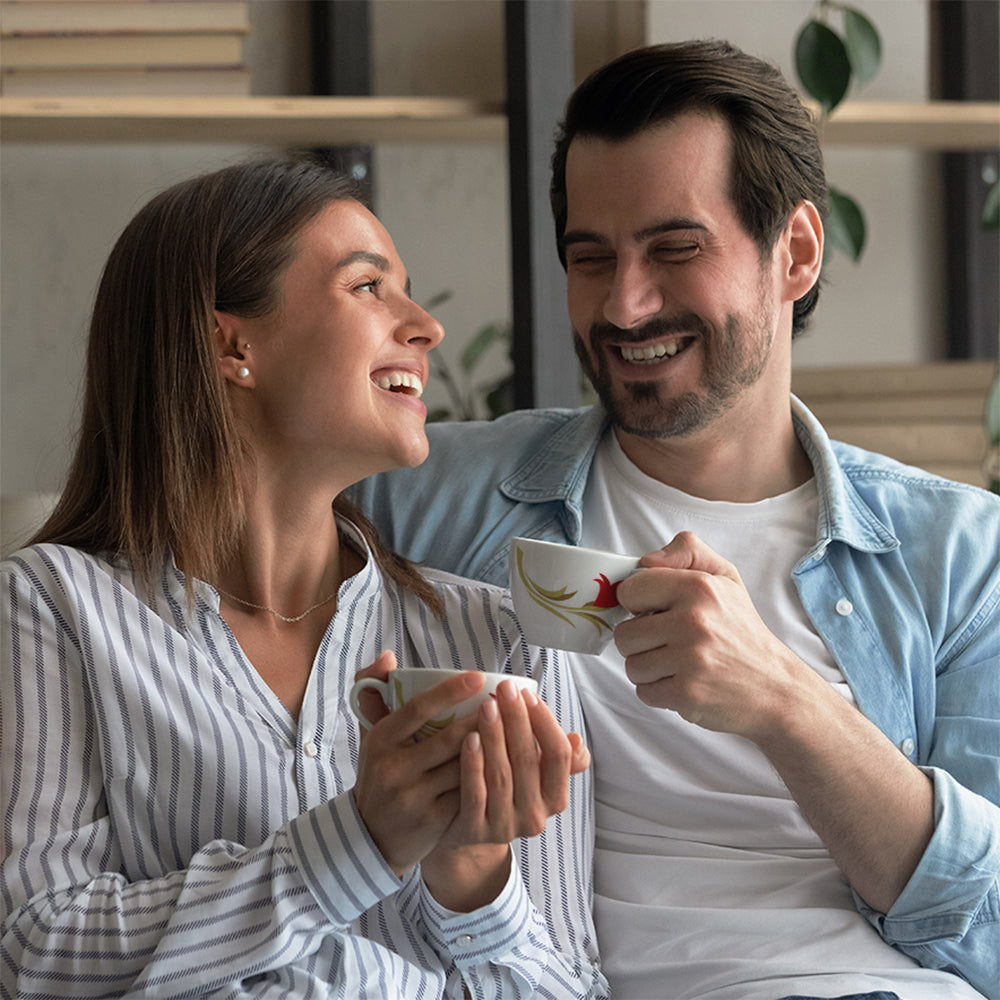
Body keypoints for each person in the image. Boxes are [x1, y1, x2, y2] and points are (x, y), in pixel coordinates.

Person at [351, 40, 1000, 1000]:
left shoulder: (957, 552)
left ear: (798, 252)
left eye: (675, 249)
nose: (625, 304)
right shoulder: (426, 490)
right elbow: (190, 511)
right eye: (591, 258)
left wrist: (781, 698)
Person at [0, 157, 610, 999]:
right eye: (368, 288)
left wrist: (474, 878)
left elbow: (573, 989)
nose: (426, 326)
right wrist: (358, 840)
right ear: (233, 345)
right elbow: (37, 953)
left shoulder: (503, 640)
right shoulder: (52, 608)